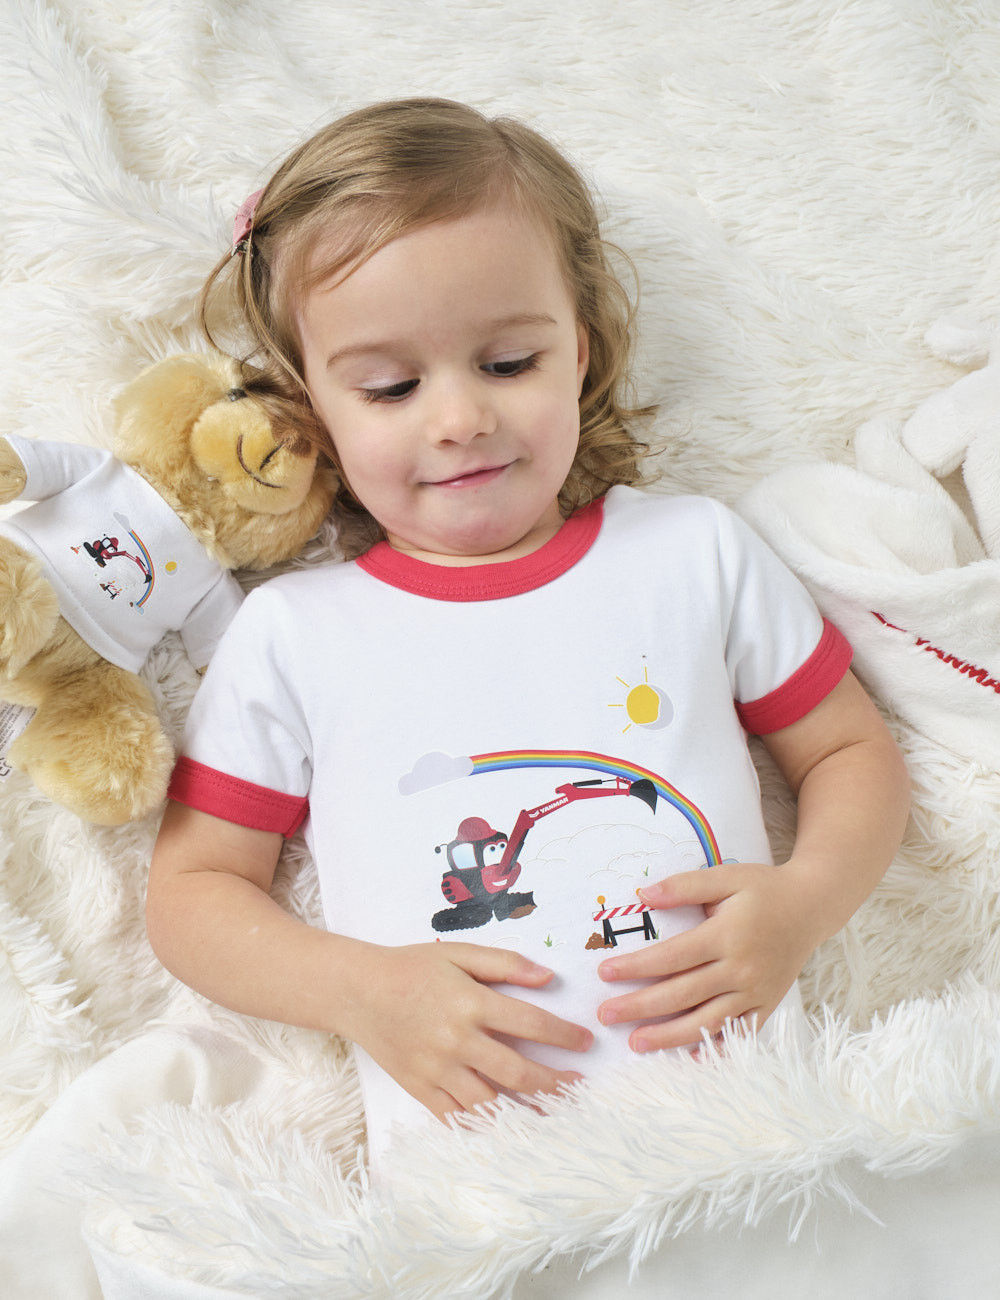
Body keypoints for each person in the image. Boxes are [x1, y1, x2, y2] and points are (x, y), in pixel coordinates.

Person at [147, 98, 910, 1169]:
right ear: (314, 409)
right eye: (391, 387)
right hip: (480, 1187)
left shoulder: (691, 551)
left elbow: (847, 750)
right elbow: (192, 895)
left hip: (758, 1149)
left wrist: (801, 903)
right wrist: (361, 991)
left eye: (508, 363)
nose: (459, 419)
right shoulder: (295, 633)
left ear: (579, 353)